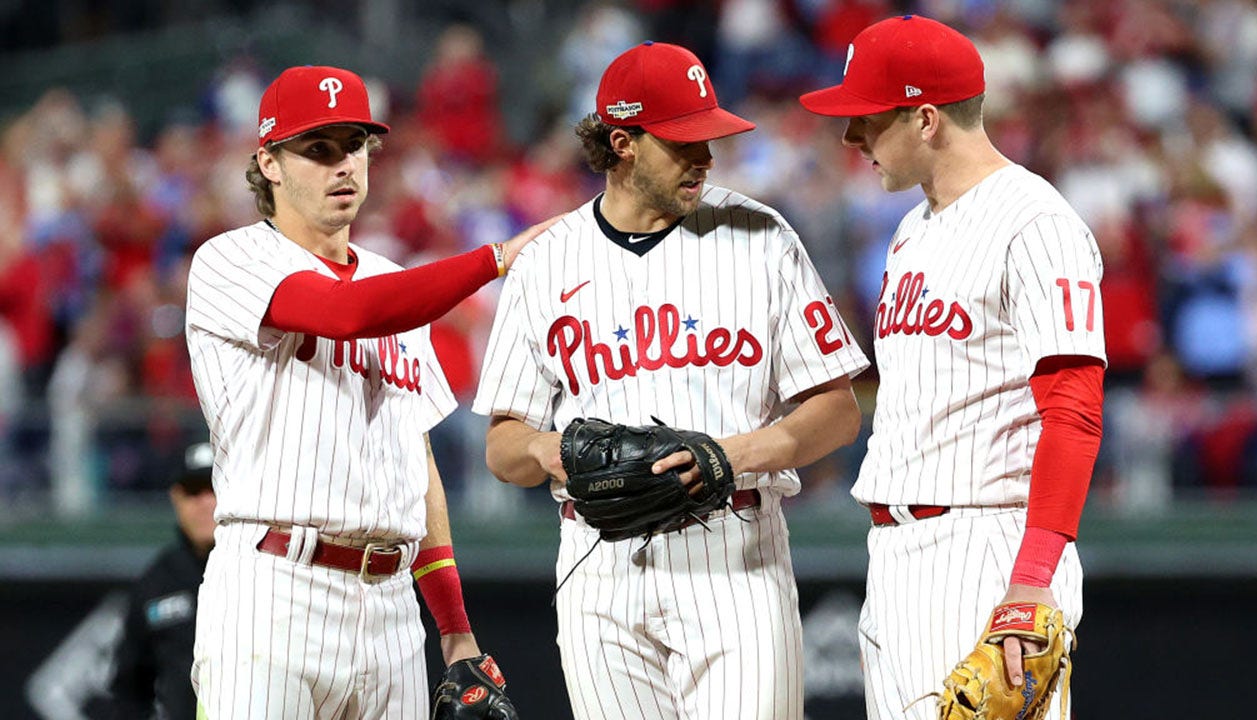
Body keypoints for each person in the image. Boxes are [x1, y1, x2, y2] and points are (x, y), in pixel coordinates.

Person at [473, 41, 870, 720]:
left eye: (708, 138)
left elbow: (838, 410)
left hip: (731, 549)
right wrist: (554, 450)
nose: (705, 158)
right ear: (622, 143)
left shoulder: (761, 236)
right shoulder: (546, 262)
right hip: (597, 560)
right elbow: (503, 446)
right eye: (683, 141)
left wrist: (731, 454)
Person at [185, 65, 555, 718]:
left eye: (354, 145)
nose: (342, 166)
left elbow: (419, 466)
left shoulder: (393, 283)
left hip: (389, 610)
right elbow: (346, 314)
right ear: (269, 162)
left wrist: (454, 628)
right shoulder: (230, 260)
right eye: (318, 150)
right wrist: (493, 258)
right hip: (273, 591)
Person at [798, 15, 1107, 719]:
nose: (850, 138)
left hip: (987, 549)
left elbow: (1076, 410)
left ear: (926, 119)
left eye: (867, 121)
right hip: (898, 550)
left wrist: (1031, 582)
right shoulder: (912, 228)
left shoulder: (1036, 224)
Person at [107, 442, 216, 720]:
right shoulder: (155, 583)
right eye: (194, 491)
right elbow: (130, 687)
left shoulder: (264, 572)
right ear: (176, 497)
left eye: (215, 489)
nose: (206, 502)